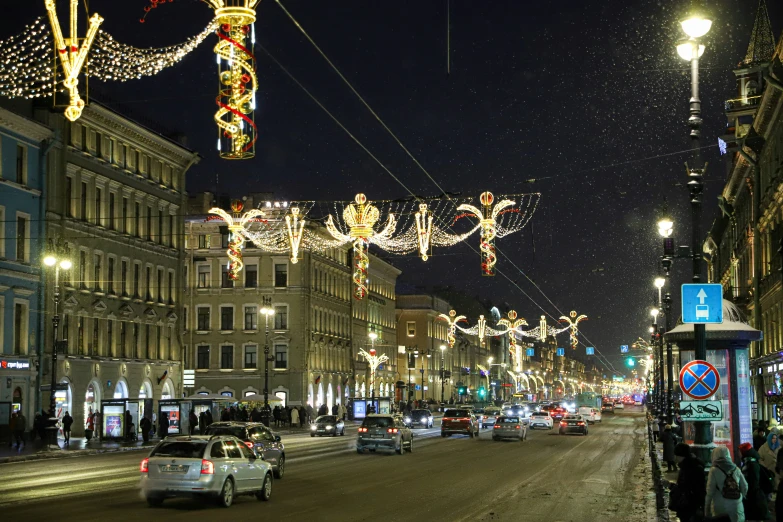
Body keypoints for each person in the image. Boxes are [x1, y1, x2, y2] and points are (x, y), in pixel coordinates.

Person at [705, 445, 748, 522]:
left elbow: (709, 492)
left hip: (721, 508)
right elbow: (745, 486)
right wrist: (740, 497)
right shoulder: (736, 469)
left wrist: (707, 511)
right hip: (737, 506)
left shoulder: (714, 470)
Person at [669, 443, 705, 522]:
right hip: (689, 505)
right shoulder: (688, 465)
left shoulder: (689, 468)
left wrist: (671, 486)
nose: (675, 458)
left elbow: (685, 488)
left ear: (681, 456)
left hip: (689, 506)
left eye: (676, 455)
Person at [739, 442, 770, 521]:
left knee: (757, 517)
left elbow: (753, 483)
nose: (738, 453)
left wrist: (748, 494)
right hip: (754, 497)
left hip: (754, 498)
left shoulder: (751, 464)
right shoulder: (749, 462)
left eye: (740, 451)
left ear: (744, 452)